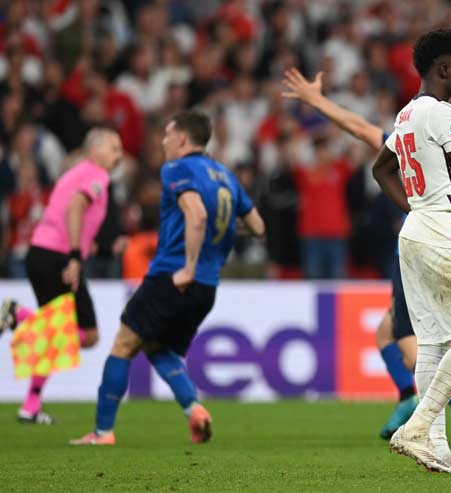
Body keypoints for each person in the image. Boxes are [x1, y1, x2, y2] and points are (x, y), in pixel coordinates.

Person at [282, 67, 451, 446]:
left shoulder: (449, 153)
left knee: (413, 343)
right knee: (387, 332)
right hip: (423, 247)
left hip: (428, 246)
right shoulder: (434, 145)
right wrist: (317, 101)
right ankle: (409, 397)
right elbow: (361, 129)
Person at [70, 111, 265, 445]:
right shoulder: (225, 176)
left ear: (183, 139)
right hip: (207, 287)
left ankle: (102, 432)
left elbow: (196, 214)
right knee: (159, 348)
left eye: (168, 135)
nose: (163, 141)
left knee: (123, 345)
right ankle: (193, 409)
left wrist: (188, 266)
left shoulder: (178, 169)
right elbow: (258, 227)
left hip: (173, 277)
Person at [372, 29, 451, 473]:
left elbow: (381, 169)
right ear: (443, 69)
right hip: (445, 231)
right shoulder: (442, 112)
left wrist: (415, 208)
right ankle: (419, 426)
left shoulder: (408, 113)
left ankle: (437, 447)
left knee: (432, 344)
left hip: (416, 232)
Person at [0, 128, 123, 424]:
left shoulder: (74, 173)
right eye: (113, 148)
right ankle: (17, 314)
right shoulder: (97, 176)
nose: (119, 155)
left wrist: (102, 248)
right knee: (86, 334)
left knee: (53, 336)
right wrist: (75, 256)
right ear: (94, 150)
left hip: (42, 254)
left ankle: (30, 407)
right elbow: (75, 208)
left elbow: (69, 220)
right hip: (59, 258)